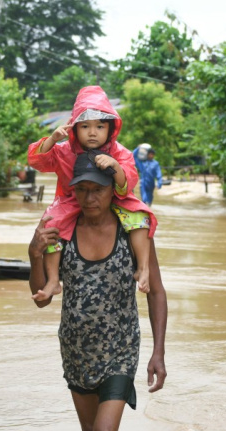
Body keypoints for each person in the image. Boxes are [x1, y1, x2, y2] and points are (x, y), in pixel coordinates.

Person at [28, 160, 168, 431]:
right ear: (72, 190)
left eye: (98, 190)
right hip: (76, 350)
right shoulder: (61, 231)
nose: (90, 198)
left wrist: (158, 352)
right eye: (83, 190)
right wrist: (34, 254)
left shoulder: (132, 232)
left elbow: (156, 292)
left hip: (120, 350)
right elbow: (42, 297)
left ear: (112, 191)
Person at [27, 86, 157, 300]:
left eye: (99, 126)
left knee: (140, 217)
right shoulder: (63, 150)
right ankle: (52, 280)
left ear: (110, 128)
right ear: (75, 128)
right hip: (69, 201)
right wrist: (51, 139)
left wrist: (114, 165)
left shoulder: (119, 152)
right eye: (85, 126)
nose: (92, 132)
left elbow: (129, 180)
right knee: (50, 224)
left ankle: (143, 268)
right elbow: (37, 161)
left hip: (113, 199)